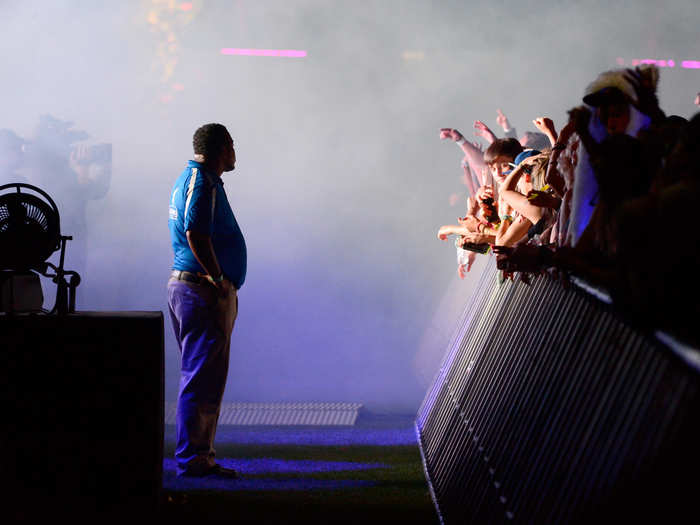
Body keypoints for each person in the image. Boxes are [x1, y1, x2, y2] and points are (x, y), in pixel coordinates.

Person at [167, 123, 246, 478]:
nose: (235, 151)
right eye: (232, 145)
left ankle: (200, 455)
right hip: (201, 290)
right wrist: (217, 278)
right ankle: (194, 458)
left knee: (203, 376)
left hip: (194, 289)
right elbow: (195, 233)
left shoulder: (193, 180)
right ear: (222, 148)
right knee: (201, 376)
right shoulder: (202, 183)